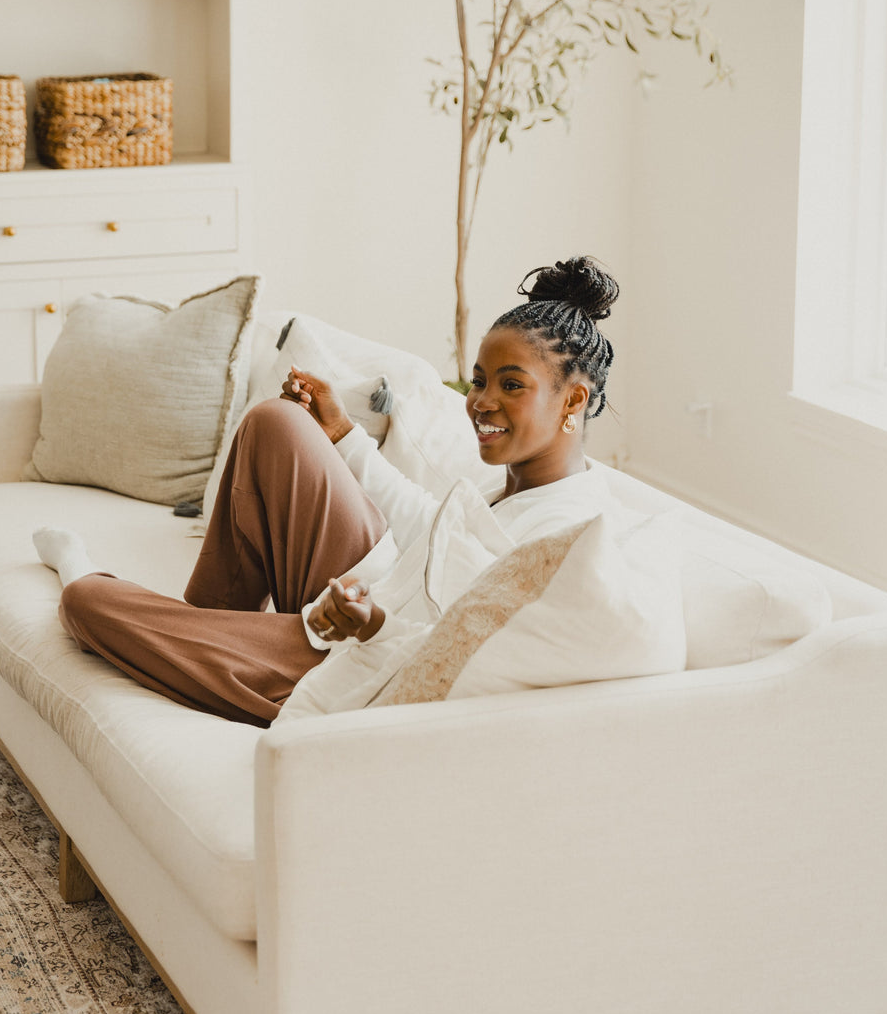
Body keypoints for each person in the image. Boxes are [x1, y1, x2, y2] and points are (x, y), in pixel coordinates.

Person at [33, 254, 619, 725]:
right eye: (481, 380)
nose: (481, 402)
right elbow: (429, 527)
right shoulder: (514, 483)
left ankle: (149, 613)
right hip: (364, 592)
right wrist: (342, 433)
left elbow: (477, 655)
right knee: (275, 423)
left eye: (510, 386)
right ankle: (211, 624)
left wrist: (373, 624)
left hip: (352, 656)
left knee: (85, 604)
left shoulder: (568, 532)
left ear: (573, 400)